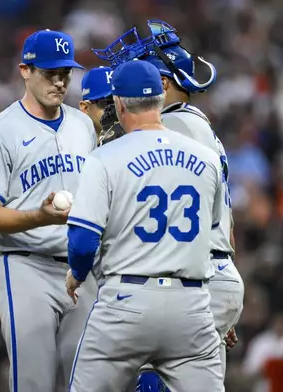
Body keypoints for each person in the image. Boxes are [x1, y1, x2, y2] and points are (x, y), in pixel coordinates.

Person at [93, 19, 244, 388]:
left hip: (189, 279)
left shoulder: (172, 129)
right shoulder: (196, 128)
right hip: (208, 272)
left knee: (150, 376)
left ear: (160, 85)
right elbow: (224, 222)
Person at [65, 60, 225, 391]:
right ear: (160, 99)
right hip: (191, 307)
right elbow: (213, 227)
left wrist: (77, 274)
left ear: (119, 103)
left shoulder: (104, 158)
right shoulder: (206, 157)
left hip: (127, 303)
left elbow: (82, 242)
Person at [0, 29, 98, 392]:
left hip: (81, 268)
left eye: (65, 73)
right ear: (25, 70)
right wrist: (39, 217)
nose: (59, 81)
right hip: (25, 265)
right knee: (33, 382)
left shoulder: (83, 125)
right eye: (49, 72)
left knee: (85, 382)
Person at [78, 66, 113, 135]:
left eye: (119, 102)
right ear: (85, 108)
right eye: (106, 103)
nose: (116, 110)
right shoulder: (76, 144)